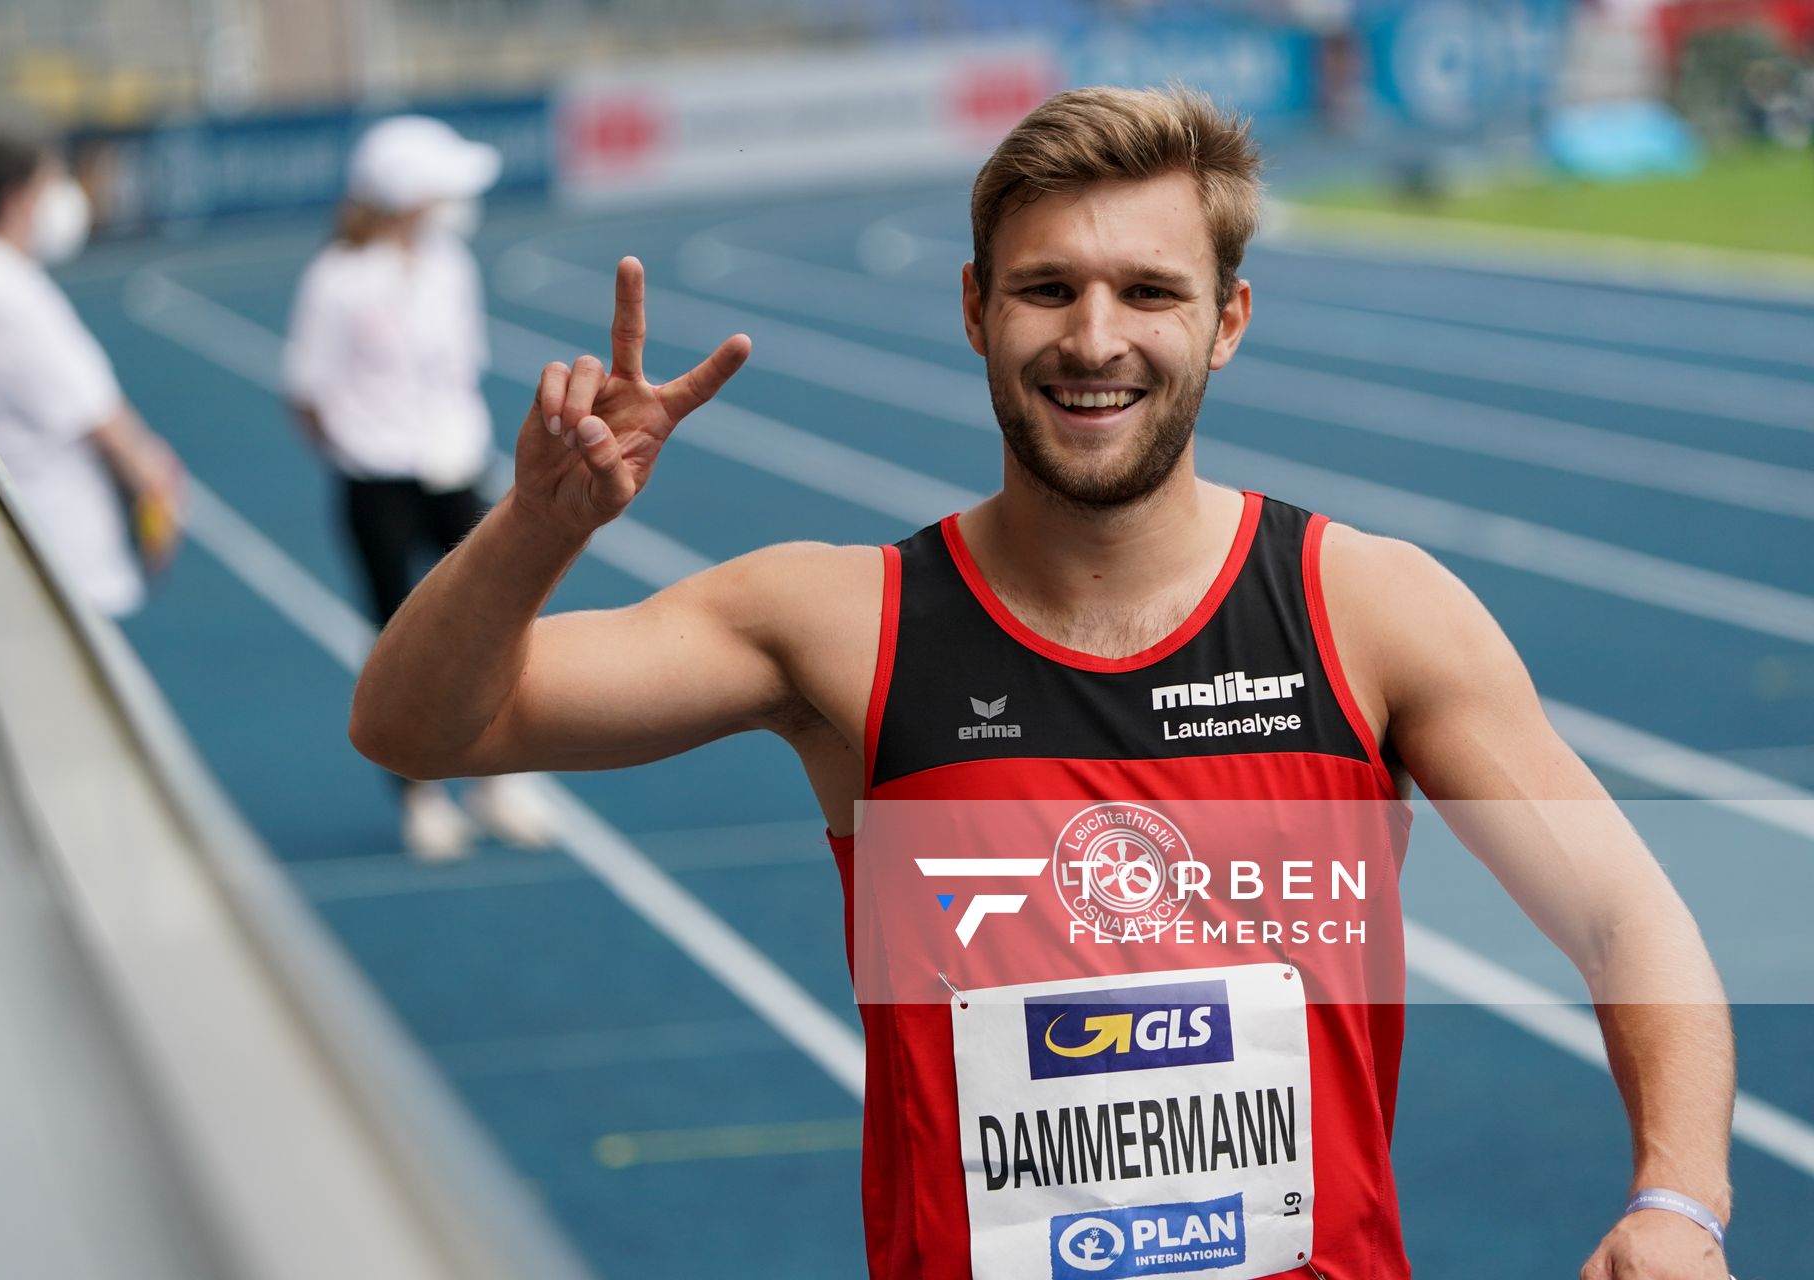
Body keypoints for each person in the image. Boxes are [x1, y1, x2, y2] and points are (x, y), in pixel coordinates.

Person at [348, 88, 1735, 1278]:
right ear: (974, 308)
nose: (1093, 339)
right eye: (1046, 287)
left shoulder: (1369, 612)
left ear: (1229, 319)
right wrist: (538, 528)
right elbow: (411, 725)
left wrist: (1678, 1201)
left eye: (1149, 291)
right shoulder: (838, 624)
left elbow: (1631, 917)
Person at [285, 114, 556, 861]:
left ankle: (499, 779)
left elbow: (460, 369)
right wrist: (357, 447)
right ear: (406, 195)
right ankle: (420, 796)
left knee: (499, 623)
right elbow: (306, 390)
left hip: (456, 469)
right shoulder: (337, 279)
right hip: (377, 482)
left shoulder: (450, 265)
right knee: (396, 640)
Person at [0, 130, 183, 618]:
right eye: (51, 183)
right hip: (56, 554)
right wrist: (157, 489)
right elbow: (101, 419)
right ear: (16, 197)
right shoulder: (2, 293)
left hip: (33, 544)